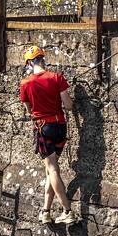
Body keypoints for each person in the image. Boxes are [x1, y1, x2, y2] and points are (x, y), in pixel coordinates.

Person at [19, 45, 81, 225]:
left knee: (53, 169)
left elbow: (29, 110)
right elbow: (69, 105)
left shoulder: (25, 83)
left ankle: (67, 210)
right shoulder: (57, 78)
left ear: (29, 63)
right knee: (50, 171)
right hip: (60, 126)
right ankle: (46, 211)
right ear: (42, 59)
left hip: (43, 127)